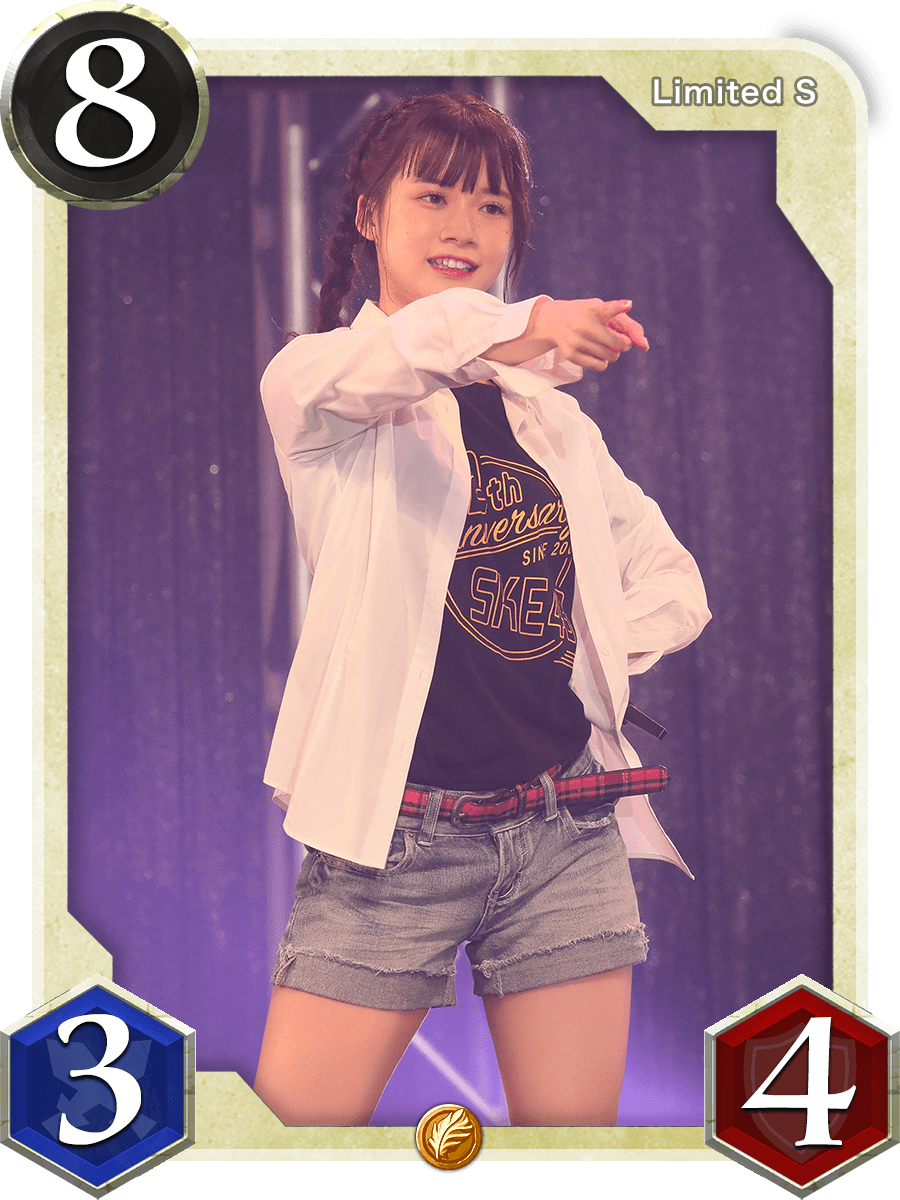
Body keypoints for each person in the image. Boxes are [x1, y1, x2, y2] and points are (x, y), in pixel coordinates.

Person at [252, 91, 711, 1128]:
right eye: (435, 195)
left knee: (571, 1150)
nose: (464, 226)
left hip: (563, 830)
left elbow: (671, 579)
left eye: (493, 207)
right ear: (368, 215)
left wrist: (586, 651)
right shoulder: (321, 384)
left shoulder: (555, 425)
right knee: (285, 1142)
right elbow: (424, 345)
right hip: (393, 839)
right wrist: (527, 323)